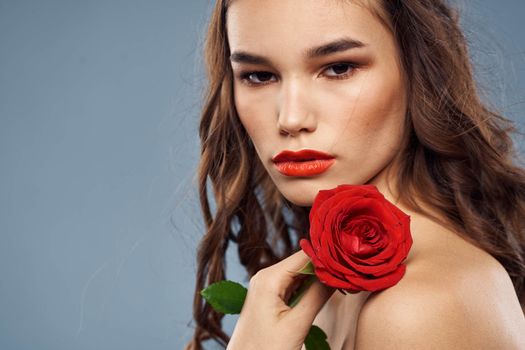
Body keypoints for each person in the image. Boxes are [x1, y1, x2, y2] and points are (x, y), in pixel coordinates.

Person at [185, 0, 525, 349]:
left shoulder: (418, 306)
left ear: (419, 70)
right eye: (259, 76)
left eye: (339, 68)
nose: (290, 118)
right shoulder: (329, 294)